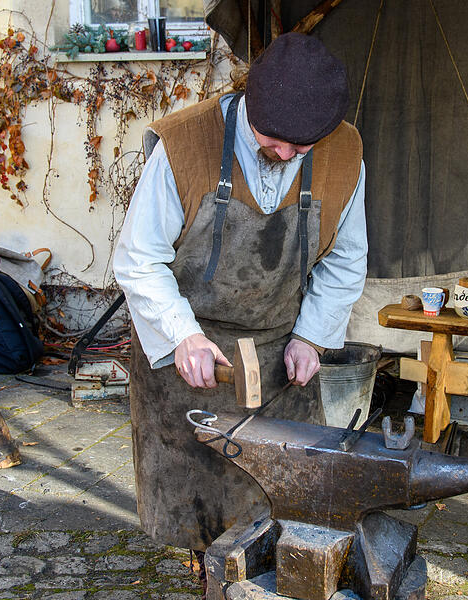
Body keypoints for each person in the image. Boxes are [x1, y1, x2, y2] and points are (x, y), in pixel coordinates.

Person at [113, 32, 368, 552]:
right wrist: (182, 335)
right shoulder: (183, 144)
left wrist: (313, 337)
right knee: (193, 511)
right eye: (271, 139)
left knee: (280, 504)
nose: (283, 153)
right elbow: (139, 258)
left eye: (300, 148)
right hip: (186, 354)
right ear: (250, 99)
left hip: (280, 354)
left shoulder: (345, 154)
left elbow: (345, 258)